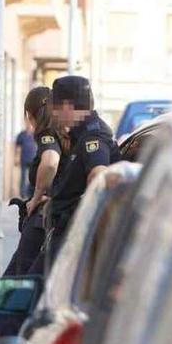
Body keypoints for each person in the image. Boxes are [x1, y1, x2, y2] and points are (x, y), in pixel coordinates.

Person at [0, 86, 63, 339]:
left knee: (6, 297)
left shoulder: (47, 135)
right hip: (46, 229)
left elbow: (50, 161)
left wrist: (36, 197)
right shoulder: (63, 133)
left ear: (29, 113)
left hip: (39, 230)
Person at [45, 76, 119, 267]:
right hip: (64, 229)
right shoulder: (81, 133)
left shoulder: (93, 135)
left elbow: (99, 175)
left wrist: (84, 224)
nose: (54, 113)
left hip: (71, 233)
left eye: (56, 107)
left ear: (68, 107)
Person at [15, 122, 38, 199]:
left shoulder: (36, 134)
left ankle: (30, 193)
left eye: (31, 124)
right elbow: (18, 148)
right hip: (24, 158)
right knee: (23, 176)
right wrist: (17, 158)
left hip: (34, 159)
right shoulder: (22, 135)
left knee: (32, 177)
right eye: (28, 124)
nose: (29, 125)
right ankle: (23, 194)